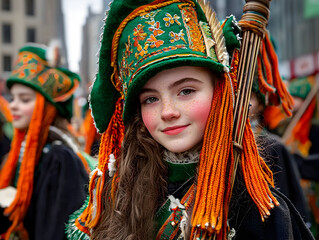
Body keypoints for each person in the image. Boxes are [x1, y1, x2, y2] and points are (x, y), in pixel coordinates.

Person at [67, 0, 314, 239]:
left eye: (186, 91)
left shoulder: (259, 209)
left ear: (220, 92)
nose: (167, 111)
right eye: (150, 99)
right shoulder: (119, 191)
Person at [0, 44, 94, 240]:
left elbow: (56, 232)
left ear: (46, 107)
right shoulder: (22, 152)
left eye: (24, 99)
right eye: (13, 98)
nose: (13, 105)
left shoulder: (60, 159)